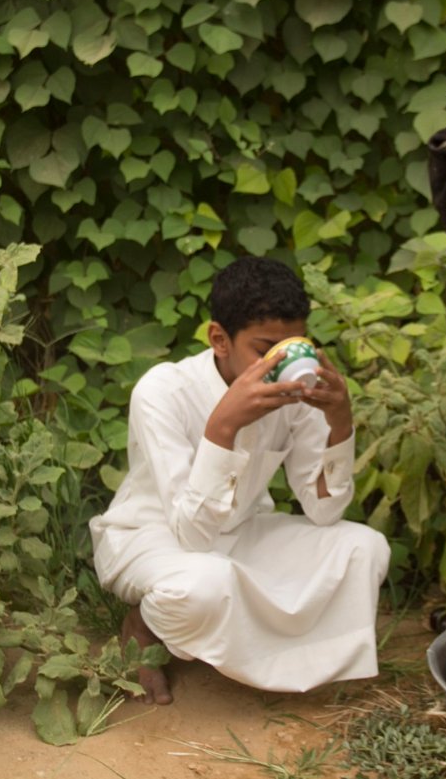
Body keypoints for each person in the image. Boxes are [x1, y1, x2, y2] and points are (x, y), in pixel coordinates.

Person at [89, 256, 391, 704]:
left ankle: (278, 654)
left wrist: (339, 421)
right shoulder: (163, 391)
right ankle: (145, 624)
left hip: (242, 533)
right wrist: (224, 426)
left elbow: (325, 510)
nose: (283, 364)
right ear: (219, 339)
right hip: (156, 539)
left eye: (294, 348)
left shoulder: (294, 393)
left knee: (364, 548)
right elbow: (190, 535)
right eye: (265, 349)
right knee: (200, 588)